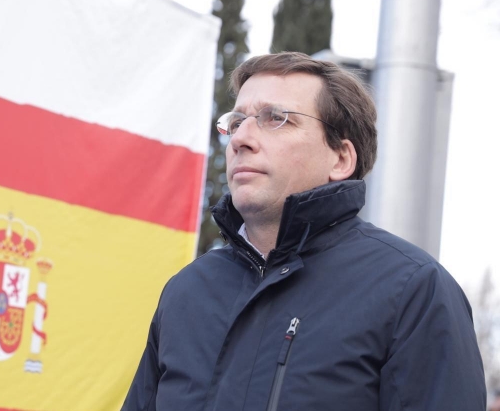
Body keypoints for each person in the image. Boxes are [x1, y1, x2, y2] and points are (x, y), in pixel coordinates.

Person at [121, 52, 486, 410]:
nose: (239, 140)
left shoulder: (413, 290)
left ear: (340, 159)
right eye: (236, 122)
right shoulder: (186, 291)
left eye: (275, 118)